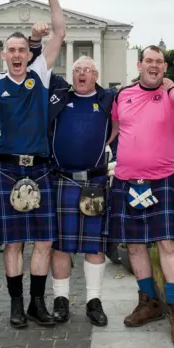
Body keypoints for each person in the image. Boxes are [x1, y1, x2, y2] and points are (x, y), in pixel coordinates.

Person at [109, 35, 174, 344]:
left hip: (161, 181)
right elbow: (112, 130)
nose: (153, 66)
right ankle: (149, 301)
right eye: (148, 61)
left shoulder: (172, 96)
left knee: (166, 244)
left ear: (165, 68)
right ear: (139, 65)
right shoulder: (122, 95)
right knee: (134, 245)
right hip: (125, 180)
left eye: (159, 62)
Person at [0, 0, 65, 329]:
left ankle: (36, 303)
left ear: (28, 53)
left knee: (44, 240)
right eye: (11, 51)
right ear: (4, 55)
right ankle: (16, 305)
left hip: (41, 168)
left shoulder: (40, 74)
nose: (17, 55)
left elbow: (59, 32)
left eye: (22, 50)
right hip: (7, 169)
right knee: (13, 242)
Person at [36, 45, 117, 327]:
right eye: (77, 70)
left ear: (96, 75)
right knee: (61, 246)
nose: (82, 74)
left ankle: (94, 301)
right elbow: (39, 69)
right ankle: (61, 300)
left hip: (94, 180)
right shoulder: (59, 96)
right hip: (62, 179)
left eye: (87, 70)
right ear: (72, 75)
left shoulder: (108, 99)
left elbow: (121, 121)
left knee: (94, 246)